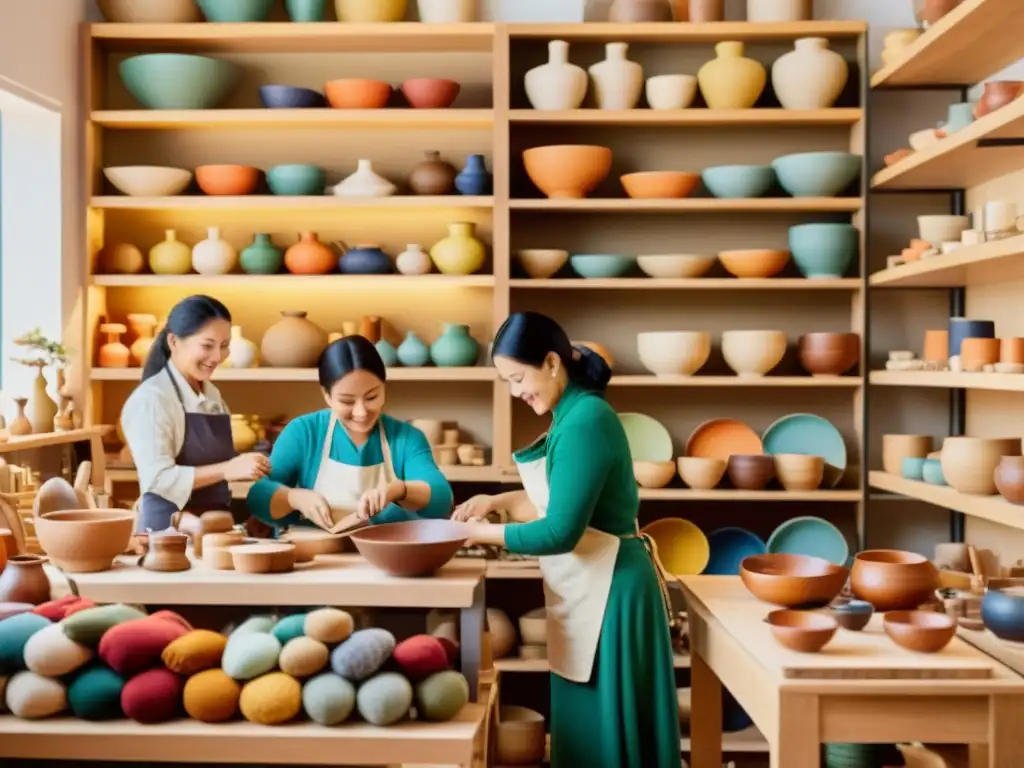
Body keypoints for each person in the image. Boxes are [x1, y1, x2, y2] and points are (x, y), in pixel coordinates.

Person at [452, 311, 682, 768]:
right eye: (508, 383)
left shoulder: (585, 422)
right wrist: (494, 500)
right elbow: (563, 499)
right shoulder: (571, 413)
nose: (517, 392)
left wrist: (477, 533)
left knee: (607, 737)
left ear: (552, 362)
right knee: (587, 733)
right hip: (592, 584)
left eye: (519, 378)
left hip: (612, 592)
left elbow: (560, 530)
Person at [247, 335, 453, 531]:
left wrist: (399, 490)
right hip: (315, 558)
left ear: (384, 387)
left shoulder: (407, 438)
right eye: (347, 401)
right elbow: (258, 497)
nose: (361, 412)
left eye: (372, 397)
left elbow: (442, 500)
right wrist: (293, 497)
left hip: (387, 559)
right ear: (326, 395)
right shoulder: (303, 432)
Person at [121, 295, 270, 533]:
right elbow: (158, 478)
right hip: (167, 534)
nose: (217, 357)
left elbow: (214, 460)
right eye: (207, 345)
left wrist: (253, 466)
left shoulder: (211, 395)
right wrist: (228, 468)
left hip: (211, 528)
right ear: (174, 342)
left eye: (224, 346)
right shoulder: (152, 399)